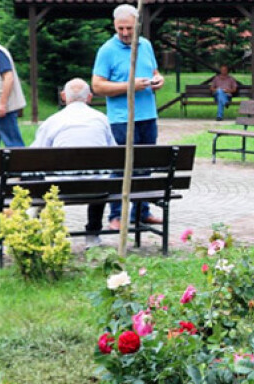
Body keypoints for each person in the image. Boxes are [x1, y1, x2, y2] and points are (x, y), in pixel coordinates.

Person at [92, 3, 164, 230]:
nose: (124, 33)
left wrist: (158, 80)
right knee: (121, 167)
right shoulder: (107, 50)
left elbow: (153, 72)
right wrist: (129, 86)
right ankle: (116, 215)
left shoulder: (146, 46)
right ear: (114, 25)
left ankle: (141, 212)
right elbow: (97, 86)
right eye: (120, 28)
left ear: (138, 26)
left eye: (129, 29)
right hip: (122, 119)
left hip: (147, 116)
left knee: (145, 166)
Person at [32, 78, 117, 246]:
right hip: (96, 189)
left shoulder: (52, 121)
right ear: (90, 97)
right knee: (100, 178)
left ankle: (53, 232)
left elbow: (34, 154)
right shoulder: (102, 119)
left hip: (60, 188)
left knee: (45, 179)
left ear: (63, 96)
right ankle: (92, 235)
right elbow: (113, 152)